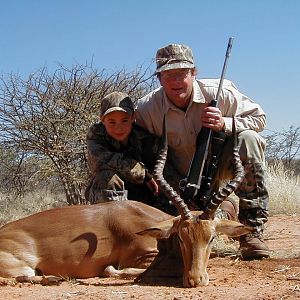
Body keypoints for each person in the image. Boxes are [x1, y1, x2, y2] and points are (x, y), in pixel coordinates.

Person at [135, 43, 270, 260]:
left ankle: (252, 231)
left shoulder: (221, 92)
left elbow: (260, 119)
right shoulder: (146, 109)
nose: (176, 82)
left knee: (249, 140)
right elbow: (133, 141)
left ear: (194, 73)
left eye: (182, 74)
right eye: (168, 75)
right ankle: (223, 209)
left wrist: (224, 123)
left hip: (220, 167)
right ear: (159, 79)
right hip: (178, 178)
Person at [85, 91, 174, 213]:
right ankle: (113, 225)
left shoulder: (147, 138)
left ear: (133, 118)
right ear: (102, 120)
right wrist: (143, 174)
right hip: (111, 197)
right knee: (107, 177)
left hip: (144, 196)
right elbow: (102, 161)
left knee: (163, 184)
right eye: (112, 122)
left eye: (125, 120)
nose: (119, 127)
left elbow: (164, 171)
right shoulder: (96, 135)